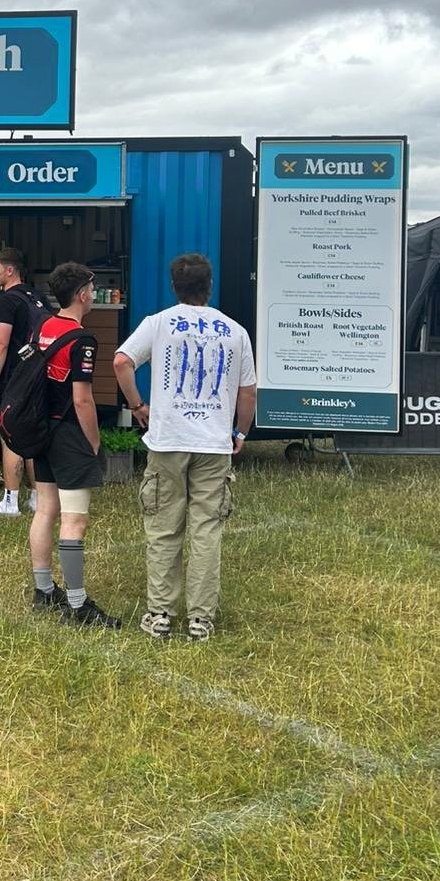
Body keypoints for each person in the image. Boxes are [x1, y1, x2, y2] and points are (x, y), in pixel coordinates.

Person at [113, 252, 256, 643]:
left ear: (174, 287)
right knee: (207, 529)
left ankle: (160, 613)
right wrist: (239, 433)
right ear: (209, 287)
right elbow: (248, 391)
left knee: (163, 527)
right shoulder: (234, 331)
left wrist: (138, 405)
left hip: (168, 438)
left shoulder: (158, 324)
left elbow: (122, 361)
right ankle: (200, 618)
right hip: (213, 441)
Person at [27, 261, 120, 627]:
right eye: (92, 289)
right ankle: (79, 606)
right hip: (68, 431)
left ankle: (44, 590)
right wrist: (93, 441)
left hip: (40, 429)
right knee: (74, 519)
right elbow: (82, 399)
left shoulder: (43, 326)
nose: (93, 295)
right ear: (82, 294)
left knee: (45, 509)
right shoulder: (82, 339)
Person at [0, 246, 43, 515]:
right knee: (32, 435)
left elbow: (0, 343)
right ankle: (37, 497)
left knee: (9, 435)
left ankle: (10, 502)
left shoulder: (6, 300)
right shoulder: (36, 297)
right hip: (36, 372)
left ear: (10, 270)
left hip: (14, 376)